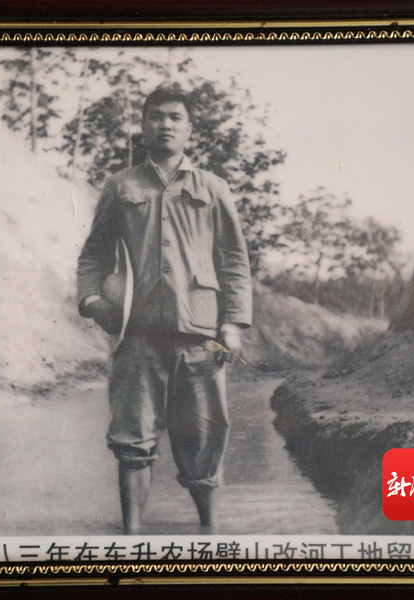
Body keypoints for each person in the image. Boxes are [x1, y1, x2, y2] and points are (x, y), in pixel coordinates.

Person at [77, 88, 253, 534]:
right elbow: (93, 255)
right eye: (156, 116)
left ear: (190, 128)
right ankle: (132, 540)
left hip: (200, 337)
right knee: (131, 441)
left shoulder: (212, 188)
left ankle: (210, 536)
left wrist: (232, 324)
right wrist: (92, 301)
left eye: (175, 117)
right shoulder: (121, 186)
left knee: (204, 441)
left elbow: (234, 260)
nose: (165, 124)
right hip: (136, 336)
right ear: (143, 126)